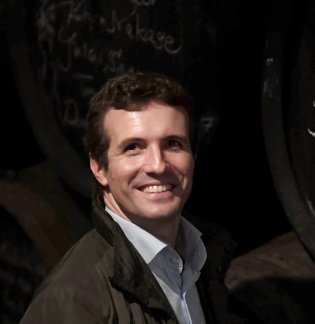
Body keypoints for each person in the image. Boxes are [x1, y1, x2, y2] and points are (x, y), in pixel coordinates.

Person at [21, 71, 234, 324]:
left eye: (173, 144)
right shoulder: (72, 299)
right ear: (99, 168)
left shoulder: (204, 255)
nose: (157, 165)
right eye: (133, 147)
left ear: (193, 157)